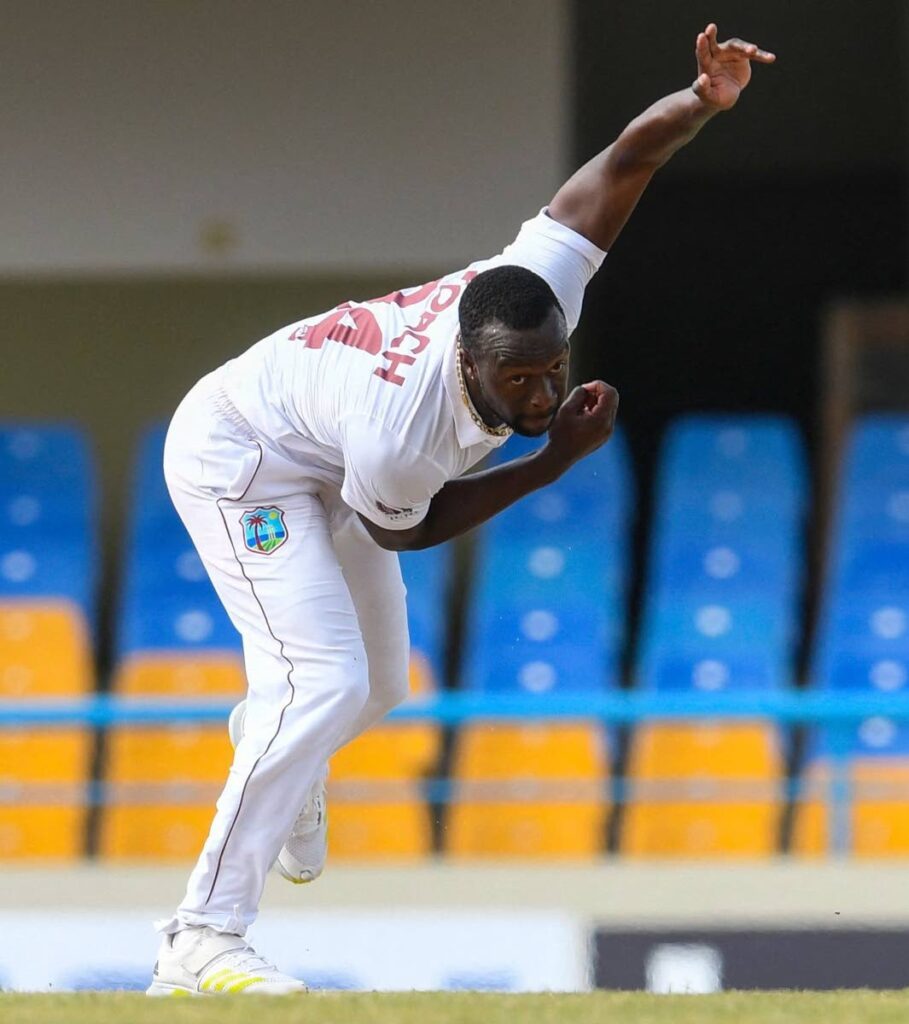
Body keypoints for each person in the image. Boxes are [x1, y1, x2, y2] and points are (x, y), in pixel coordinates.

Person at [147, 24, 775, 997]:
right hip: (242, 463)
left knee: (382, 684)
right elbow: (405, 525)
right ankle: (201, 933)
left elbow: (623, 161)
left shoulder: (535, 291)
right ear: (466, 358)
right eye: (517, 380)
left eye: (550, 373)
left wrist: (701, 102)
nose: (536, 394)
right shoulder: (408, 428)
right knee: (320, 680)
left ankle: (276, 743)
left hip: (321, 453)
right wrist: (553, 460)